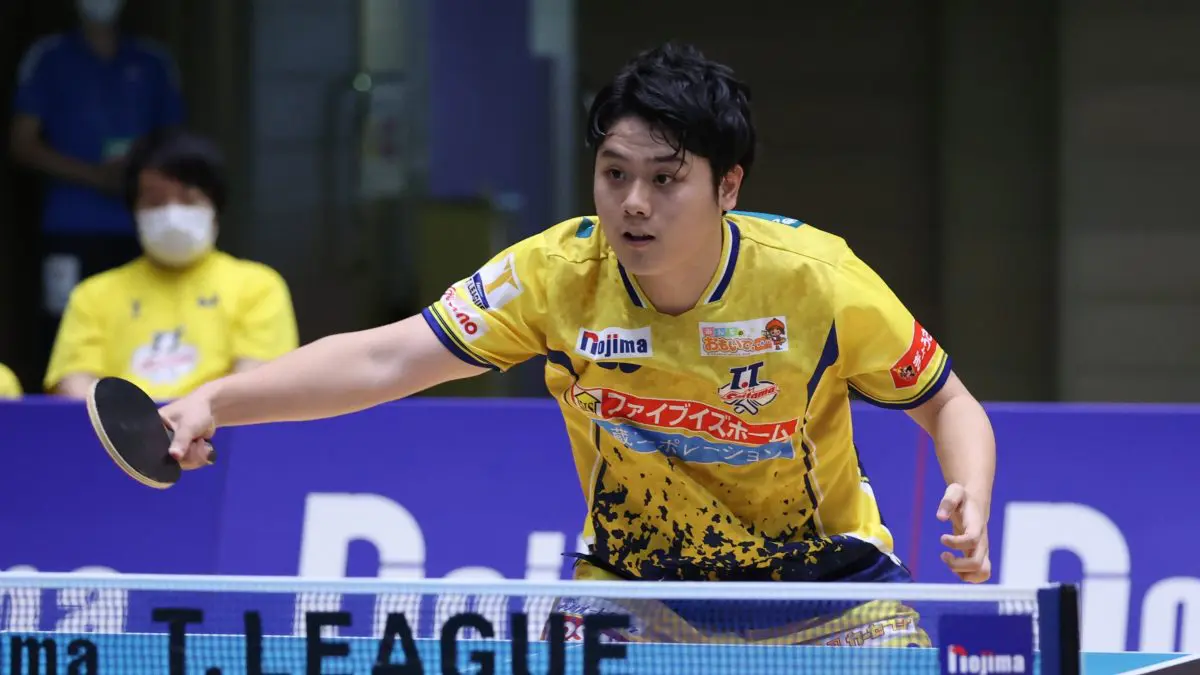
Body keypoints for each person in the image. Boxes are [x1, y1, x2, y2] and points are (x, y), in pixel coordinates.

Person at [159, 43, 995, 647]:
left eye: (665, 179)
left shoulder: (817, 281)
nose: (633, 203)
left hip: (827, 596)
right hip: (635, 601)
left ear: (728, 186)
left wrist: (971, 491)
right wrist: (216, 401)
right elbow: (388, 358)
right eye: (614, 173)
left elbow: (947, 401)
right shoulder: (555, 275)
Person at [43, 129, 299, 401]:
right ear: (134, 210)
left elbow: (258, 382)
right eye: (155, 201)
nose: (172, 214)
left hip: (221, 427)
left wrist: (194, 416)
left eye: (188, 199)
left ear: (215, 207)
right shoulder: (92, 294)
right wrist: (127, 422)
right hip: (120, 428)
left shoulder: (259, 286)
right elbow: (72, 384)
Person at [10, 0, 185, 369]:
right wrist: (94, 176)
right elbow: (22, 143)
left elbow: (175, 142)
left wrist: (136, 172)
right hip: (69, 225)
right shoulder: (48, 56)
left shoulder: (153, 60)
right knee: (61, 326)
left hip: (141, 224)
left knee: (144, 326)